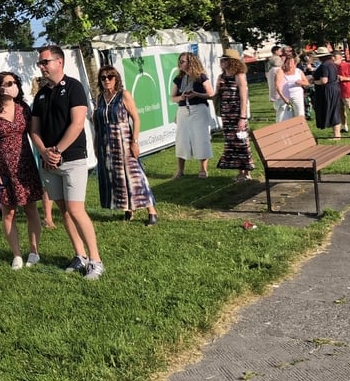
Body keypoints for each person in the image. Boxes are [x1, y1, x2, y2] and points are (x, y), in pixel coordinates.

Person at [29, 45, 104, 280]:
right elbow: (34, 129)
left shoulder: (74, 87)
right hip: (50, 163)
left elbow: (78, 123)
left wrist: (58, 150)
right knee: (64, 211)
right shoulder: (41, 95)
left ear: (59, 62)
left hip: (72, 159)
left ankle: (96, 260)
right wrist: (43, 151)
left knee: (76, 209)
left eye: (45, 62)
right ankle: (79, 255)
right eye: (40, 63)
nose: (42, 66)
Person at [0, 71, 43, 269]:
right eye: (7, 83)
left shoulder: (24, 108)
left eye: (13, 82)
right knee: (8, 212)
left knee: (31, 209)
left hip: (25, 166)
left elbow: (34, 134)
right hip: (3, 169)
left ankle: (34, 251)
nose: (11, 85)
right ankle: (16, 254)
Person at [93, 65, 158, 226]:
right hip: (105, 143)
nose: (107, 80)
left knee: (135, 176)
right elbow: (97, 124)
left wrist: (134, 142)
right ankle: (128, 209)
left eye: (110, 77)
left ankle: (151, 211)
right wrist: (96, 144)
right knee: (116, 177)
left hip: (123, 141)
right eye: (103, 77)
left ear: (116, 79)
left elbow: (136, 118)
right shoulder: (100, 98)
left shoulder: (124, 95)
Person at [171, 51, 214, 179]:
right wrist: (181, 97)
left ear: (191, 62)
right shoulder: (178, 78)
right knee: (181, 139)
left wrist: (196, 94)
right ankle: (180, 170)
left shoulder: (201, 77)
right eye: (179, 61)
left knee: (201, 138)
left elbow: (211, 94)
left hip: (199, 109)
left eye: (182, 61)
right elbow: (173, 98)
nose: (180, 64)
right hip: (183, 110)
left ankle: (203, 169)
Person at [215, 49, 254, 181]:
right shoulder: (221, 77)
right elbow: (216, 96)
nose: (221, 62)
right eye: (221, 60)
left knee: (242, 141)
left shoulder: (239, 75)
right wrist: (218, 88)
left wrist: (242, 117)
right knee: (232, 143)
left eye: (224, 60)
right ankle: (239, 172)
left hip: (237, 113)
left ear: (231, 61)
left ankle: (247, 172)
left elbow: (244, 98)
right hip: (226, 114)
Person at [31, 76, 57, 229]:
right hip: (41, 149)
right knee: (46, 184)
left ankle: (49, 216)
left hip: (48, 148)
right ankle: (48, 217)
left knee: (48, 184)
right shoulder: (36, 103)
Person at [311, 47, 342, 137]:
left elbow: (324, 80)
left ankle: (337, 134)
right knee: (334, 109)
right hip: (335, 88)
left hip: (327, 90)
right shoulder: (332, 64)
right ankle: (337, 134)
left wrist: (313, 81)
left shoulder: (324, 65)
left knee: (331, 110)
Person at [333, 50, 350, 133]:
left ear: (341, 58)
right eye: (333, 58)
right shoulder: (333, 67)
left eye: (336, 58)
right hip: (337, 91)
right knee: (340, 110)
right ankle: (344, 126)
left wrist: (345, 78)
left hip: (348, 91)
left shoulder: (349, 65)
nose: (334, 60)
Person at [274, 55, 310, 121]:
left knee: (300, 115)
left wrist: (301, 82)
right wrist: (284, 98)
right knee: (284, 117)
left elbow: (307, 83)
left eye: (292, 63)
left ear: (295, 63)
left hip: (298, 96)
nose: (290, 65)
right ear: (284, 63)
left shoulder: (298, 71)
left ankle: (301, 129)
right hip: (285, 97)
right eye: (288, 63)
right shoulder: (281, 72)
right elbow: (277, 86)